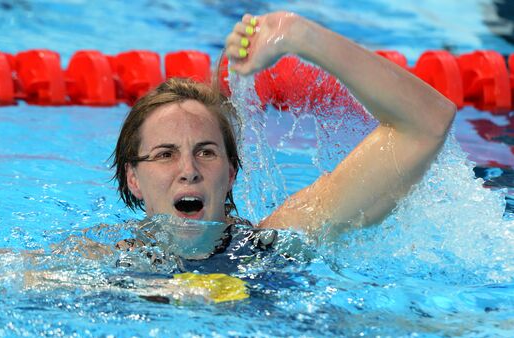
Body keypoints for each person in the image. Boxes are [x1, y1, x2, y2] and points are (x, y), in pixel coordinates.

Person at [112, 11, 456, 243]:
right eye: (165, 154)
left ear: (231, 172)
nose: (189, 170)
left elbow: (427, 124)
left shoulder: (276, 242)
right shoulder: (102, 266)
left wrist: (301, 36)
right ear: (133, 178)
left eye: (206, 151)